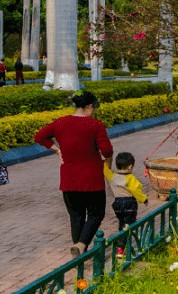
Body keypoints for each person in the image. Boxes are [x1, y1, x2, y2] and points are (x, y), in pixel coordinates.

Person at [34, 90, 113, 257]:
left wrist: (57, 150)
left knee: (76, 215)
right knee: (96, 213)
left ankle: (79, 251)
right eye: (94, 108)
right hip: (92, 178)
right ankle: (82, 245)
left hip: (69, 179)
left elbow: (39, 137)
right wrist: (108, 165)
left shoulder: (60, 123)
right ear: (90, 106)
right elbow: (106, 150)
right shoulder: (95, 124)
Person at [104, 152, 148, 230]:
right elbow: (135, 190)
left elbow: (105, 170)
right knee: (130, 224)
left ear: (116, 166)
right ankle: (127, 239)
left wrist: (103, 162)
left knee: (122, 222)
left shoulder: (112, 177)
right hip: (129, 203)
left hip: (117, 204)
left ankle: (121, 237)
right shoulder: (130, 178)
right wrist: (144, 199)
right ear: (130, 167)